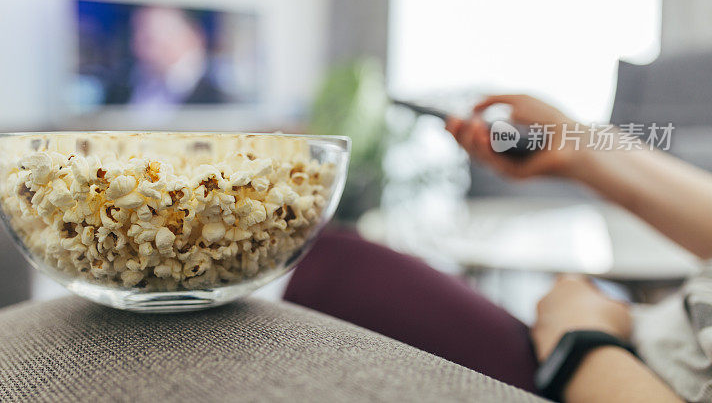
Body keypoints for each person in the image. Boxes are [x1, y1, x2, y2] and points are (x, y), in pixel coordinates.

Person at [287, 94, 712, 402]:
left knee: (335, 268)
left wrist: (580, 339)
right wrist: (574, 146)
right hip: (630, 346)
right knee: (337, 260)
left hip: (607, 374)